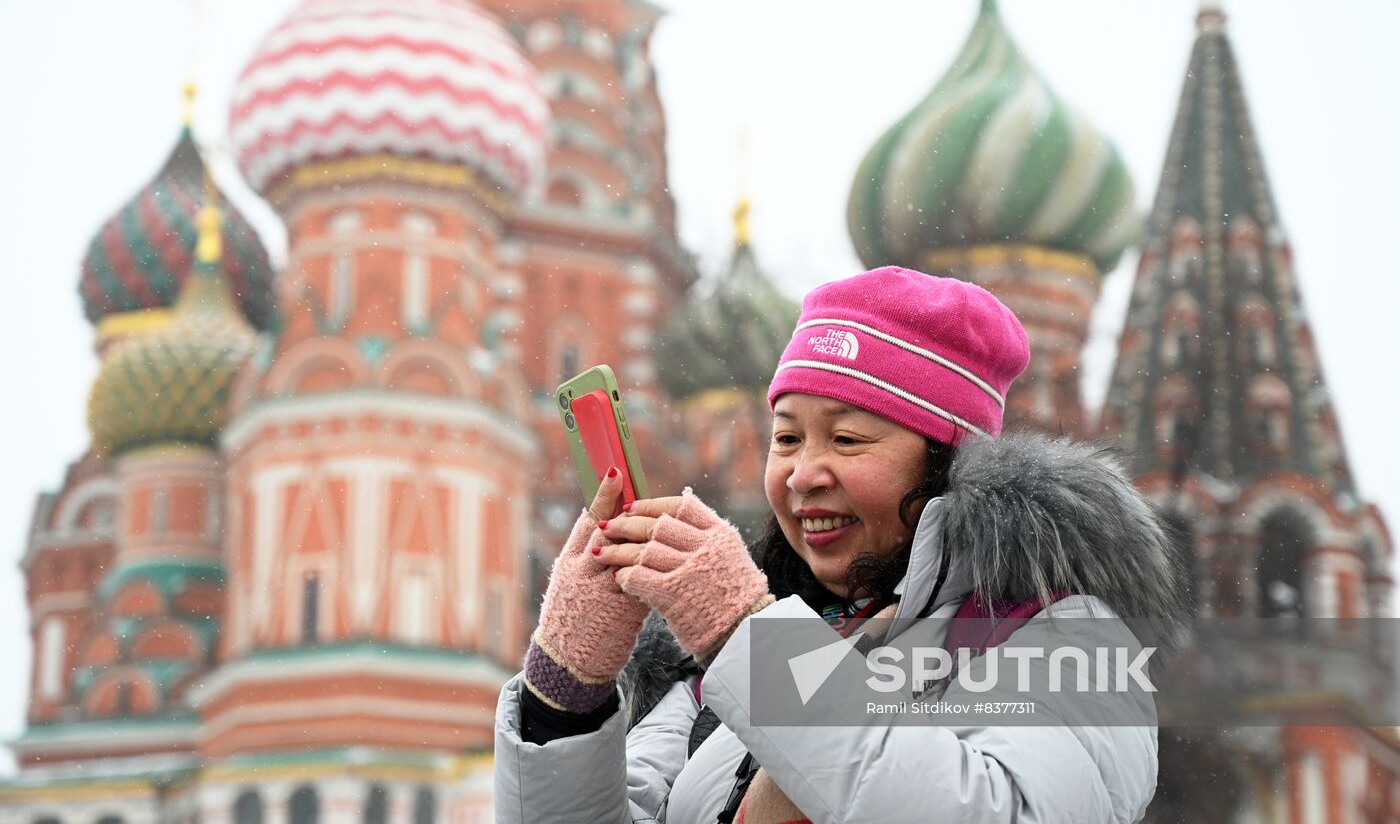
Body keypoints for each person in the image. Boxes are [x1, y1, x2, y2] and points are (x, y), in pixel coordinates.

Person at [494, 266, 1188, 823]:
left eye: (847, 439)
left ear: (947, 461)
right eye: (787, 438)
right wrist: (567, 690)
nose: (802, 474)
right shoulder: (711, 680)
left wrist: (747, 637)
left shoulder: (1056, 637)